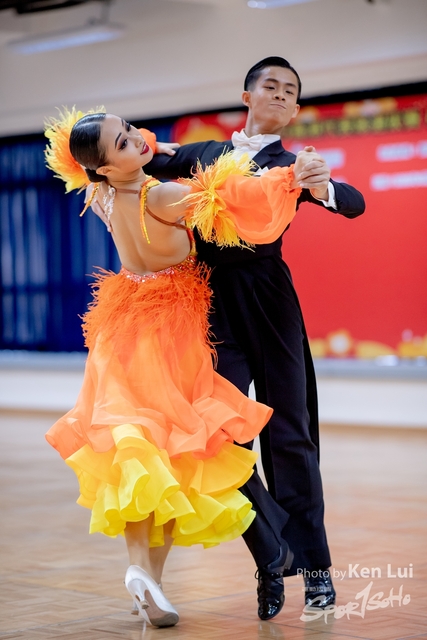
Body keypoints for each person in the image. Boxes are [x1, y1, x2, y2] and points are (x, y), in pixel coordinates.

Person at [44, 107, 311, 627]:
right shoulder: (163, 195)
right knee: (171, 453)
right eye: (123, 143)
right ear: (104, 166)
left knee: (139, 452)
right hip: (167, 330)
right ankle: (149, 576)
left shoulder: (99, 195)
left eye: (130, 129)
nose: (137, 140)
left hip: (118, 328)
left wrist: (143, 146)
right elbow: (234, 199)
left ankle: (146, 577)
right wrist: (288, 176)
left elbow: (92, 156)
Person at [144, 56, 366, 619]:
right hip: (209, 300)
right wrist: (128, 142)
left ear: (295, 109)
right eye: (271, 85)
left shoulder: (295, 164)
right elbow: (140, 160)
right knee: (221, 439)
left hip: (268, 297)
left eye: (290, 90)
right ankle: (271, 556)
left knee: (290, 433)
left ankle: (315, 571)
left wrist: (325, 185)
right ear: (247, 95)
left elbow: (354, 204)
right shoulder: (203, 154)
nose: (280, 94)